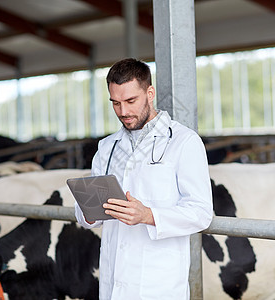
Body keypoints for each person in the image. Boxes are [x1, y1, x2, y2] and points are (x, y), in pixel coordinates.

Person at [75, 58, 213, 300]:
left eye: (130, 101)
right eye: (115, 103)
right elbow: (85, 215)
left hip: (158, 284)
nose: (123, 112)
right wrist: (88, 212)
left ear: (150, 93)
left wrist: (148, 215)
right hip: (112, 282)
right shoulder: (107, 147)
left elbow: (201, 213)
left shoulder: (183, 142)